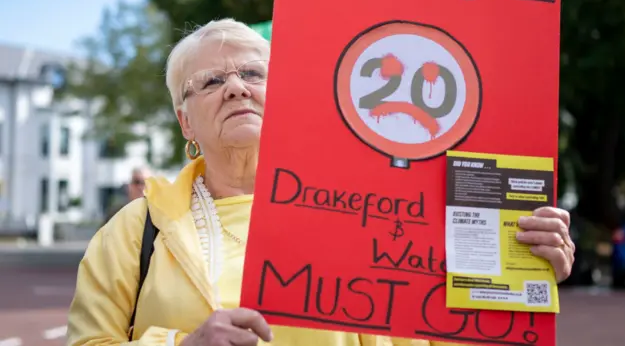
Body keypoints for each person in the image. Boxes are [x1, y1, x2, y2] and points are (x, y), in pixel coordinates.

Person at [67, 19, 576, 346]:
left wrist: (516, 274)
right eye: (212, 82)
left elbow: (439, 334)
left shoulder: (369, 208)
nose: (237, 88)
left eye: (252, 73)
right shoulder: (135, 231)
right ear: (185, 123)